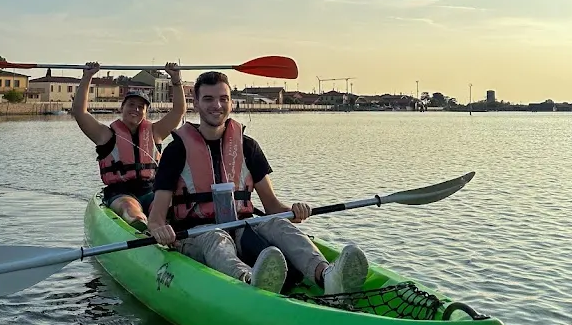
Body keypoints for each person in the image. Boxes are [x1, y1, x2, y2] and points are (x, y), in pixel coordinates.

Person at [147, 71, 369, 294]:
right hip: (195, 235)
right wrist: (160, 231)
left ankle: (326, 275)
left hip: (242, 226)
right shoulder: (176, 151)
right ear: (195, 103)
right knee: (216, 238)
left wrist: (294, 210)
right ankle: (249, 280)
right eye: (208, 99)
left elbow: (272, 207)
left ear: (231, 103)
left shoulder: (247, 146)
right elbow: (156, 218)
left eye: (223, 99)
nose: (217, 105)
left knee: (278, 223)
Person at [72, 61, 186, 226]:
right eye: (131, 105)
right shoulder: (105, 135)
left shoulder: (156, 132)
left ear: (146, 112)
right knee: (130, 208)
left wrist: (176, 79)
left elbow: (178, 111)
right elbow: (80, 112)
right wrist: (87, 76)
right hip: (120, 193)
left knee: (165, 206)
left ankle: (165, 229)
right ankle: (141, 225)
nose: (136, 109)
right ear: (122, 108)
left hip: (151, 191)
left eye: (141, 107)